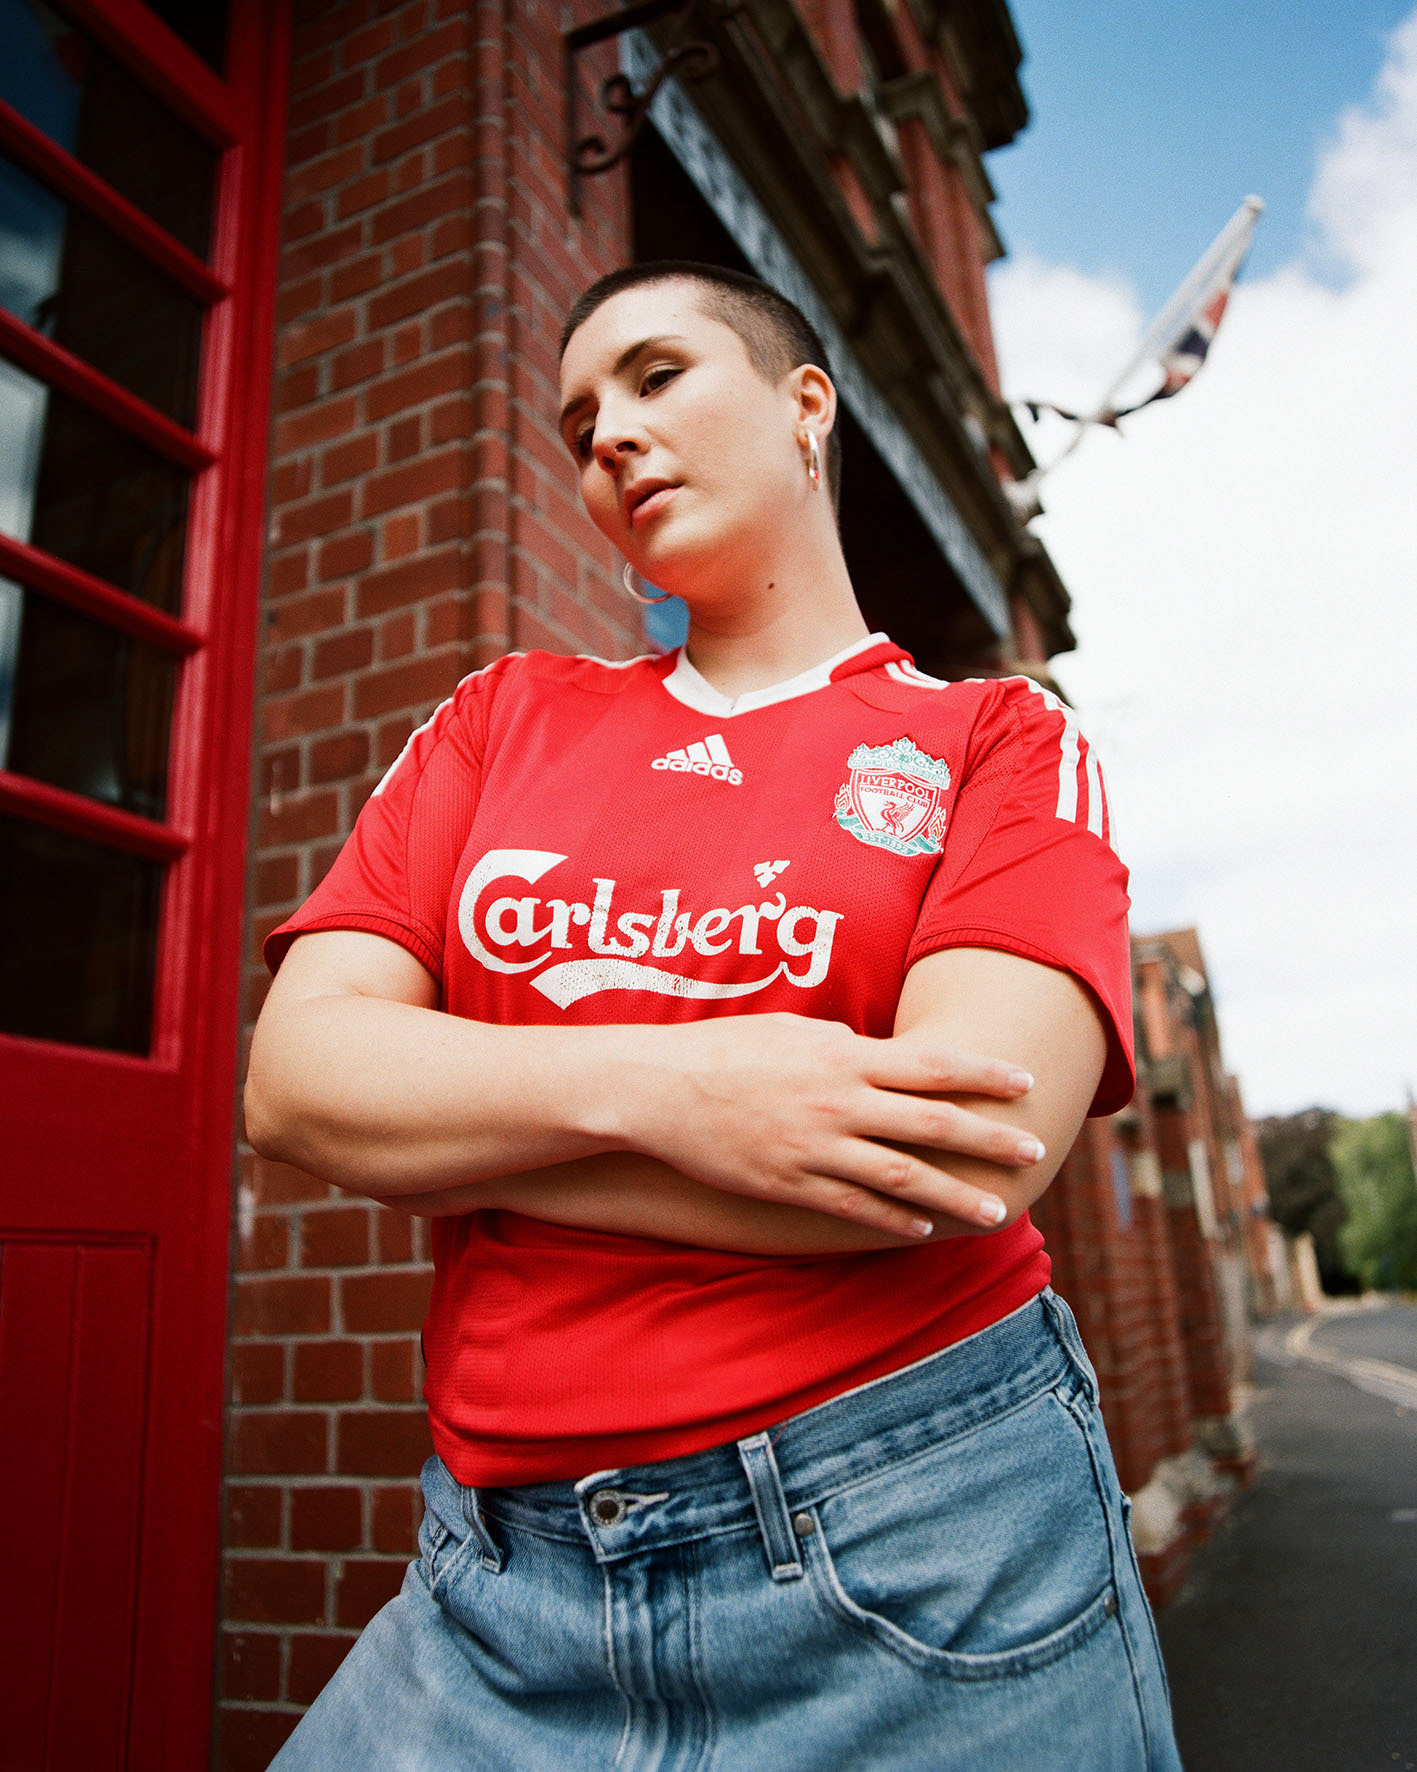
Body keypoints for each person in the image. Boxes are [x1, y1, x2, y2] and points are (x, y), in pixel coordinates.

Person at [246, 260, 1182, 1771]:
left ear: (805, 405)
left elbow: (962, 1157)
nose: (609, 434)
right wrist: (684, 1092)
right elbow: (297, 1083)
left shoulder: (999, 741)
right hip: (497, 1583)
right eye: (578, 424)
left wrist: (458, 1142)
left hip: (920, 1539)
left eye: (657, 375)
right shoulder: (496, 723)